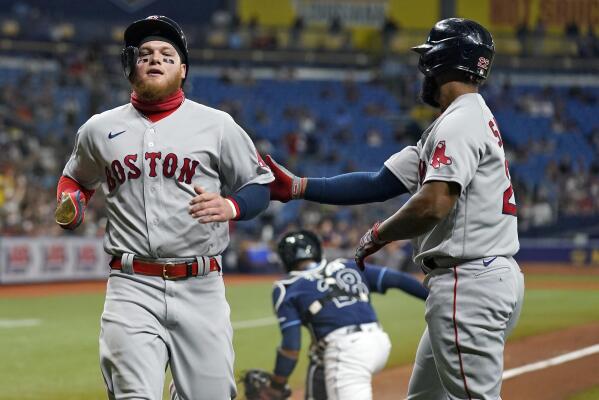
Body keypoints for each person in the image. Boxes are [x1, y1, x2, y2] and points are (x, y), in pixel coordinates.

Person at [265, 18, 524, 400]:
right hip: (480, 276)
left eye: (427, 57)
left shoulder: (459, 122)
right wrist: (301, 187)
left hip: (468, 280)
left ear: (437, 62)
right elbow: (379, 183)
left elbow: (435, 203)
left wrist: (379, 234)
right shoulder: (460, 121)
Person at [54, 15, 273, 400]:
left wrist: (230, 205)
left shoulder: (217, 125)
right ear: (130, 65)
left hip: (201, 285)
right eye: (145, 54)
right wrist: (71, 200)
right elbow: (76, 179)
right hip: (131, 285)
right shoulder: (97, 129)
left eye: (167, 55)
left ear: (183, 70)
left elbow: (259, 186)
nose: (155, 59)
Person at [267, 230, 428, 400]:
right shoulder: (347, 265)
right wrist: (434, 299)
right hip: (379, 342)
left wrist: (276, 385)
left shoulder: (286, 287)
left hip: (347, 353)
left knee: (328, 354)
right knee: (318, 357)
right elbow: (399, 279)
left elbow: (291, 347)